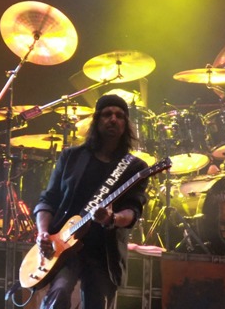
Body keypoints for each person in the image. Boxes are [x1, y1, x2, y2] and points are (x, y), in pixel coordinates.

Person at [34, 94, 149, 309]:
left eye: (119, 116)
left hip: (104, 253)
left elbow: (133, 210)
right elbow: (48, 199)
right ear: (96, 120)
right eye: (107, 114)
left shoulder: (135, 168)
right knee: (57, 295)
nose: (113, 119)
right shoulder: (71, 157)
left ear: (126, 124)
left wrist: (112, 218)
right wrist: (42, 232)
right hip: (65, 245)